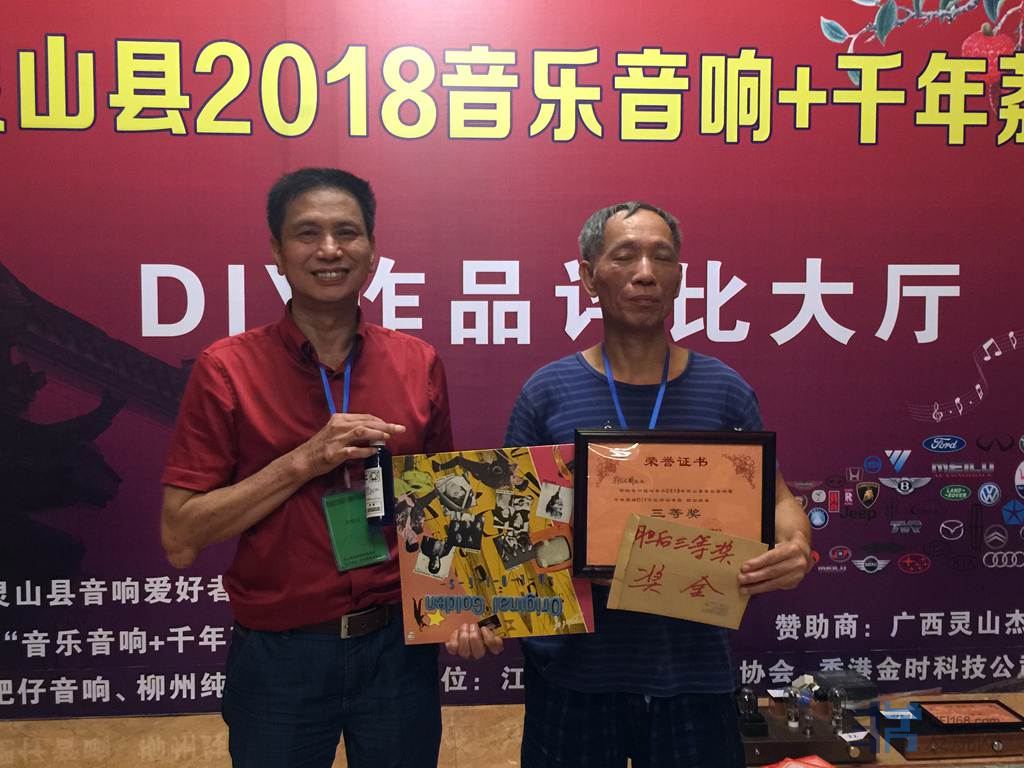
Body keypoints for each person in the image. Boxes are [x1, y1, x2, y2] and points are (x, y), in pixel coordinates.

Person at [447, 201, 811, 768]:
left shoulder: (724, 390)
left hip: (694, 670)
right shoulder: (547, 393)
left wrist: (796, 543)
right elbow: (507, 527)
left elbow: (779, 497)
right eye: (625, 256)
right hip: (576, 674)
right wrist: (473, 610)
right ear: (589, 276)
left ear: (679, 278)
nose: (645, 273)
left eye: (661, 257)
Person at [160, 168, 453, 768]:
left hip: (398, 652)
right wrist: (304, 460)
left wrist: (469, 609)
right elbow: (180, 534)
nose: (329, 250)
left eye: (346, 232)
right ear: (276, 250)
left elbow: (444, 511)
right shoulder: (227, 369)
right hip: (281, 658)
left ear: (372, 249)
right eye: (307, 233)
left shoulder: (417, 363)